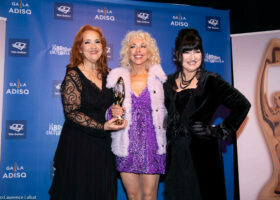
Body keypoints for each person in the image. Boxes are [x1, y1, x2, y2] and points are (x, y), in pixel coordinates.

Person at [163, 28, 251, 200]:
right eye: (187, 51)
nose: (193, 57)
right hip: (176, 157)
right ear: (178, 55)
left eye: (197, 51)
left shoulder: (210, 80)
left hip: (203, 156)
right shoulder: (168, 83)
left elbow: (242, 105)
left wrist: (218, 131)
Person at [48, 25, 127, 200]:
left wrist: (116, 111)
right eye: (87, 42)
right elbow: (72, 112)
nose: (93, 46)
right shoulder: (73, 75)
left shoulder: (110, 75)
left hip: (104, 147)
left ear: (103, 47)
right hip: (79, 146)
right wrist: (102, 126)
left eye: (97, 41)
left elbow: (113, 106)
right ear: (80, 49)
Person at [106, 30, 167, 200]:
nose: (138, 50)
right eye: (133, 46)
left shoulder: (159, 79)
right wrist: (112, 111)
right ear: (127, 51)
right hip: (126, 144)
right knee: (133, 196)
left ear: (150, 51)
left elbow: (168, 111)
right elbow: (108, 111)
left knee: (149, 195)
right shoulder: (118, 78)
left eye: (143, 46)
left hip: (153, 144)